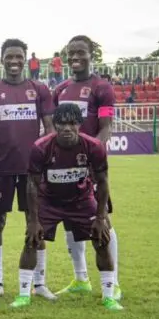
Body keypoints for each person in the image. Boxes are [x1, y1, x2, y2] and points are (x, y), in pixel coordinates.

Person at [10, 103, 123, 311]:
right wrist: (33, 220)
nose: (67, 128)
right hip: (49, 201)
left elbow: (103, 182)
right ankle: (23, 295)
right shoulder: (41, 147)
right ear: (55, 125)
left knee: (101, 239)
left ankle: (109, 296)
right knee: (32, 240)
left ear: (79, 124)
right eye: (62, 124)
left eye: (72, 123)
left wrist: (100, 217)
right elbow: (32, 184)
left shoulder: (94, 146)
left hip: (82, 201)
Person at [0, 39, 55, 299]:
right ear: (1, 59)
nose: (14, 61)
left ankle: (39, 283)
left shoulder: (39, 89)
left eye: (19, 56)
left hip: (32, 170)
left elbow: (50, 129)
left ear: (26, 59)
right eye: (9, 56)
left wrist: (47, 160)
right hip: (0, 169)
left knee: (35, 222)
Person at [52, 35, 121, 301]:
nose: (74, 57)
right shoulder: (61, 89)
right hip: (65, 167)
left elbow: (105, 128)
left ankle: (113, 282)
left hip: (90, 165)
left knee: (101, 219)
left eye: (80, 52)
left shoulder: (102, 87)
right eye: (71, 53)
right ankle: (81, 278)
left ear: (92, 54)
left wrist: (93, 156)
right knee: (70, 221)